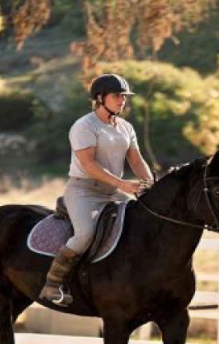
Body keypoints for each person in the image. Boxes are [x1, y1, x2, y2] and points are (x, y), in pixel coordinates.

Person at [39, 73, 154, 306]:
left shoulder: (125, 127)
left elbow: (137, 160)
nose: (122, 100)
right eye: (117, 96)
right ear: (100, 98)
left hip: (112, 191)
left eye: (124, 96)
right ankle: (51, 285)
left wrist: (152, 186)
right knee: (85, 233)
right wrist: (123, 184)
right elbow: (89, 165)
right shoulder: (84, 126)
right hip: (84, 190)